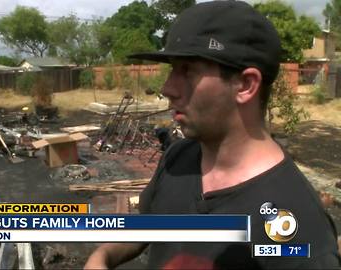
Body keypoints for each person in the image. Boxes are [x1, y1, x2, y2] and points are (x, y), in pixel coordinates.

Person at [85, 1, 340, 269]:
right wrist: (101, 256)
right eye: (173, 69)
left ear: (245, 85)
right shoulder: (178, 158)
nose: (167, 87)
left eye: (187, 71)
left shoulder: (298, 233)